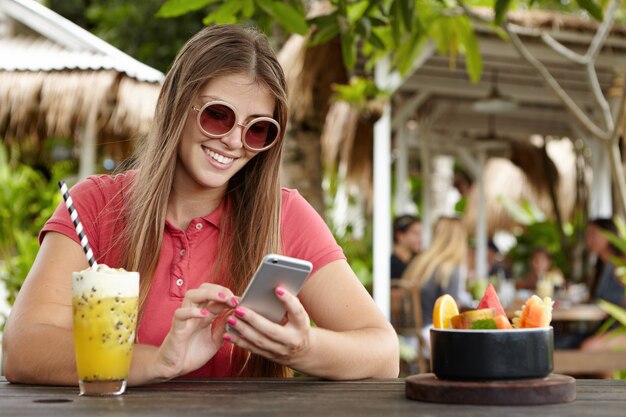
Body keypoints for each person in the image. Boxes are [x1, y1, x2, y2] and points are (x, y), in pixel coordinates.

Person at [2, 24, 399, 385]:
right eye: (218, 116)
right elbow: (22, 348)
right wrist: (158, 361)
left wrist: (303, 347)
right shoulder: (95, 205)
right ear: (177, 105)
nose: (233, 141)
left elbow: (384, 353)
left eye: (258, 128)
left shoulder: (285, 215)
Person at [400, 217, 471, 345]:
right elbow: (452, 314)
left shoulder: (419, 262)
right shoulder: (451, 268)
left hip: (406, 336)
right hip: (429, 335)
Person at [390, 214, 422, 279]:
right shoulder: (390, 264)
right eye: (415, 233)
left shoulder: (417, 261)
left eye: (421, 234)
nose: (420, 238)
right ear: (400, 236)